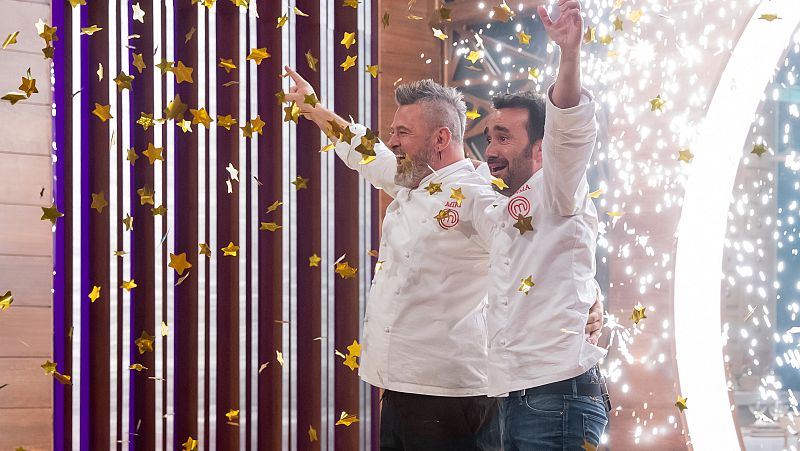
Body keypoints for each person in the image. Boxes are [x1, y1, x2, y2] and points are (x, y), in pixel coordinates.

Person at [281, 66, 603, 449]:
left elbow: (528, 248)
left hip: (451, 394)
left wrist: (591, 295)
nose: (392, 142)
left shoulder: (478, 193)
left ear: (440, 139)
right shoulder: (411, 177)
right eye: (393, 132)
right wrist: (315, 109)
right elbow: (366, 153)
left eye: (403, 133)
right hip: (399, 386)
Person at [476, 1, 610, 449]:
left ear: (540, 149)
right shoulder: (497, 208)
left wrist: (569, 55)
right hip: (512, 397)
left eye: (503, 138)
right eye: (488, 138)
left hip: (557, 396)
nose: (490, 149)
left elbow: (569, 130)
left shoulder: (558, 187)